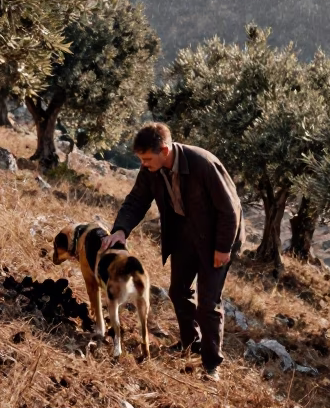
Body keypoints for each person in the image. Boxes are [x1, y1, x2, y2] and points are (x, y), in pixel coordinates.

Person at [101, 122, 244, 380]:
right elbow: (136, 200)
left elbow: (229, 210)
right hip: (184, 236)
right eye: (141, 159)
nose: (143, 164)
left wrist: (223, 248)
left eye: (146, 158)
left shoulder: (202, 164)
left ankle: (211, 365)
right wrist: (121, 229)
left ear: (164, 150)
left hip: (217, 239)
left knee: (208, 303)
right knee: (178, 291)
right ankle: (191, 344)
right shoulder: (150, 170)